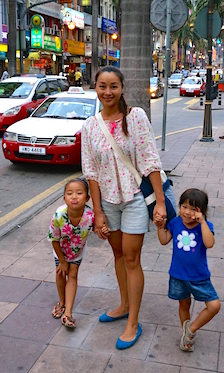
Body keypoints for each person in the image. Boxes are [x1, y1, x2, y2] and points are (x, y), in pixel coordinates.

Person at [81, 66, 170, 350]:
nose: (108, 92)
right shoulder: (90, 126)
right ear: (95, 87)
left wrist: (158, 201)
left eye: (113, 86)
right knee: (117, 253)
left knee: (131, 258)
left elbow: (149, 160)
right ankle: (123, 304)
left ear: (122, 87)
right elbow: (91, 172)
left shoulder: (136, 117)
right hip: (108, 201)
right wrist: (98, 212)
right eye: (102, 86)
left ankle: (133, 321)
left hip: (134, 199)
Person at [156, 188, 220, 352]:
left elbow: (209, 243)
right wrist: (159, 227)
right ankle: (186, 337)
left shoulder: (205, 226)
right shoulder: (175, 222)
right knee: (184, 305)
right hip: (178, 276)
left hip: (199, 277)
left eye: (193, 209)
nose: (187, 212)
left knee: (214, 306)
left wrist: (203, 222)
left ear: (202, 212)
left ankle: (191, 330)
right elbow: (164, 240)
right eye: (184, 207)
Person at [48, 178, 95, 329]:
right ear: (64, 198)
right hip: (60, 249)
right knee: (61, 273)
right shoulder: (59, 215)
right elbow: (54, 239)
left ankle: (68, 313)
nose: (74, 196)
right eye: (70, 193)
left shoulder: (90, 216)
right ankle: (62, 302)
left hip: (77, 250)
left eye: (79, 193)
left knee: (73, 275)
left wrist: (103, 230)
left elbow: (98, 229)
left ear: (87, 198)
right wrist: (62, 261)